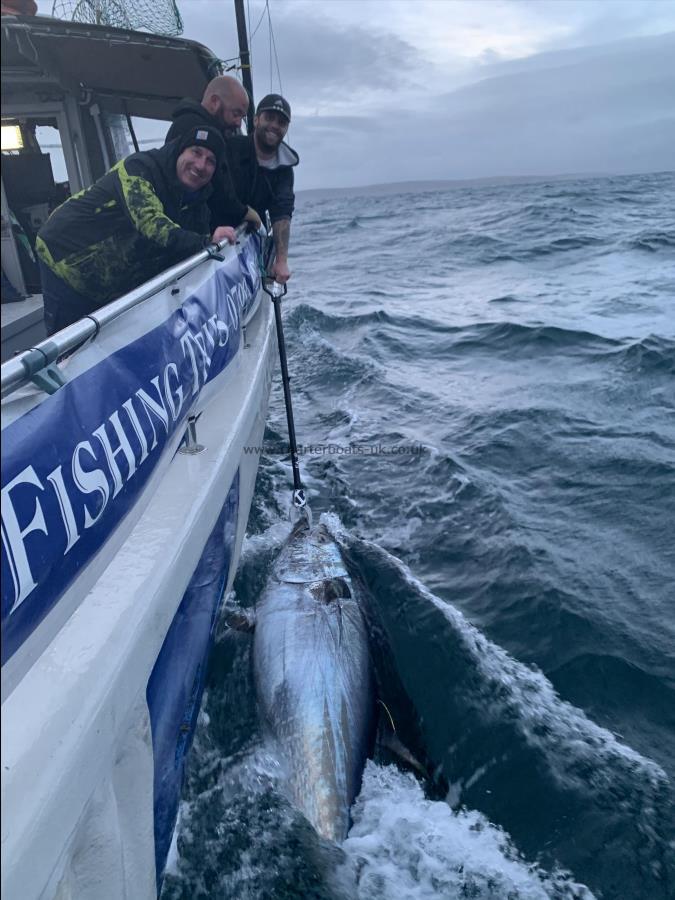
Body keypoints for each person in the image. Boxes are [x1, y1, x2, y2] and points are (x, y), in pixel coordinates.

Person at [36, 126, 236, 335]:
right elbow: (152, 224)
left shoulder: (198, 205)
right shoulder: (138, 169)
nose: (201, 164)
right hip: (65, 258)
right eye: (196, 152)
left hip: (115, 278)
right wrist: (206, 241)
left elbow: (197, 262)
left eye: (210, 160)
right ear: (180, 151)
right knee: (71, 345)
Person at [165, 76, 262, 235]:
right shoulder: (203, 132)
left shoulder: (184, 122)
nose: (238, 123)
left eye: (242, 117)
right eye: (236, 113)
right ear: (215, 102)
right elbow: (219, 186)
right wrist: (244, 212)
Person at [226, 94, 299, 284]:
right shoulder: (231, 148)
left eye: (282, 122)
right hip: (220, 234)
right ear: (256, 119)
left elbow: (282, 213)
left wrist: (281, 261)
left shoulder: (285, 169)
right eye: (270, 118)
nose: (275, 125)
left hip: (250, 239)